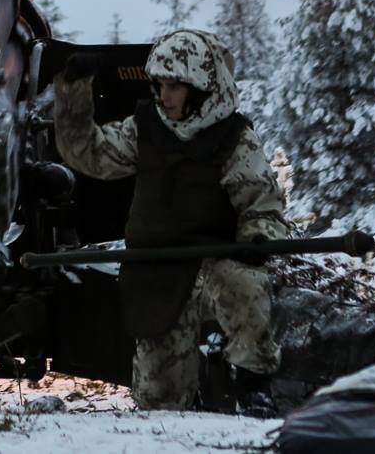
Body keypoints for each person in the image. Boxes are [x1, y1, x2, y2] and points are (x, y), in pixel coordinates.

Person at [53, 28, 288, 413]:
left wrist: (257, 239)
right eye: (159, 86)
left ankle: (254, 391)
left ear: (200, 87)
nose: (164, 96)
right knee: (159, 398)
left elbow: (261, 204)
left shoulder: (235, 138)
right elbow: (90, 155)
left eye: (174, 87)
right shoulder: (144, 128)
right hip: (155, 270)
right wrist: (74, 92)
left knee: (245, 286)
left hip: (215, 263)